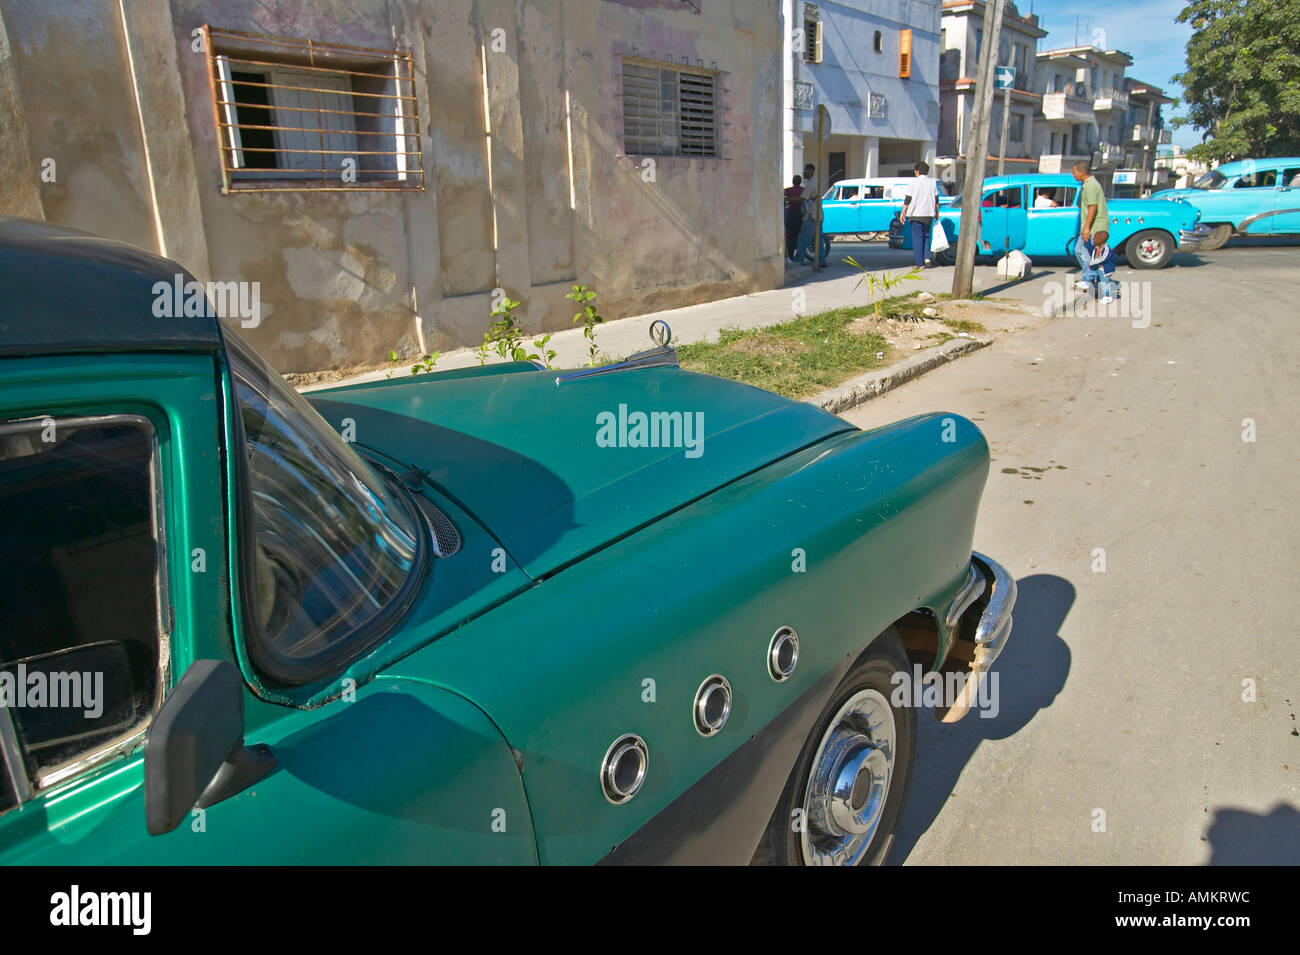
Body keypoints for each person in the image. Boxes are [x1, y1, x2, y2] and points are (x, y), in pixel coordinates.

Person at [1072, 160, 1115, 303]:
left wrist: (1087, 227)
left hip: (1094, 227)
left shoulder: (1090, 185)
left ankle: (1089, 279)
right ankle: (1091, 277)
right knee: (1079, 251)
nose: (1073, 175)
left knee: (1086, 253)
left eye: (1074, 172)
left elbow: (1092, 207)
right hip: (1092, 226)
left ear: (1080, 172)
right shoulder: (1089, 184)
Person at [900, 160, 939, 268]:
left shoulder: (913, 182)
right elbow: (936, 199)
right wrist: (937, 213)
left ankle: (919, 264)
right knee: (926, 236)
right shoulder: (932, 182)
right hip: (929, 214)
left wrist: (903, 212)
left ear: (917, 171)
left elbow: (908, 199)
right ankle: (927, 257)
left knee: (917, 239)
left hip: (916, 213)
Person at [795, 164, 830, 266]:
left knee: (803, 238)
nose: (803, 173)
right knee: (817, 238)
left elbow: (803, 198)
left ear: (809, 172)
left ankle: (799, 260)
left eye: (805, 171)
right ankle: (821, 260)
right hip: (818, 214)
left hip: (812, 215)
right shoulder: (815, 182)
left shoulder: (811, 184)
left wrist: (789, 199)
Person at [784, 175, 805, 261]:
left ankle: (791, 256)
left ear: (793, 181)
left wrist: (788, 200)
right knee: (799, 235)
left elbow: (784, 198)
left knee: (790, 236)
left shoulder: (788, 190)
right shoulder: (803, 190)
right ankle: (800, 256)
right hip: (801, 215)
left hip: (791, 214)